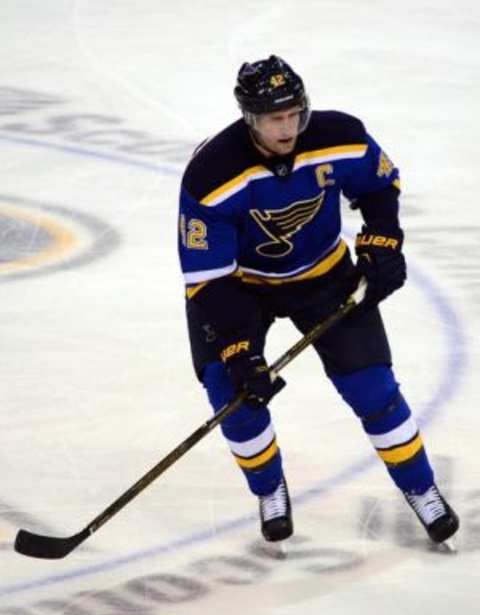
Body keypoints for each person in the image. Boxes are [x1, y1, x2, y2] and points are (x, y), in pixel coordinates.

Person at [177, 55, 459, 545]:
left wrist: (382, 241)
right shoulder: (211, 174)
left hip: (325, 275)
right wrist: (239, 348)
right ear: (250, 119)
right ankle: (269, 490)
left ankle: (422, 488)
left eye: (294, 115)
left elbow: (379, 186)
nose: (288, 129)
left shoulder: (338, 135)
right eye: (274, 119)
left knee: (373, 389)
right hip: (240, 291)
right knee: (233, 392)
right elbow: (209, 280)